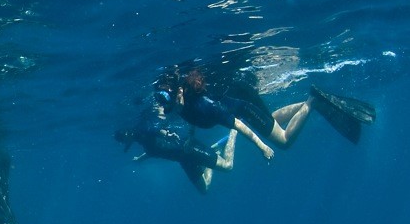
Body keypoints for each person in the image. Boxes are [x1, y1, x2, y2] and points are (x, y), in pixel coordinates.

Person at [158, 68, 375, 159]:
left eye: (172, 103)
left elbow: (239, 125)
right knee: (269, 121)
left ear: (180, 93)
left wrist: (263, 147)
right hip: (241, 96)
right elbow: (189, 116)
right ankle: (309, 103)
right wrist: (190, 137)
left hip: (244, 105)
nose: (168, 109)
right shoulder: (181, 100)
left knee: (282, 141)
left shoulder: (205, 106)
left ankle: (313, 102)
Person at [115, 95, 238, 194]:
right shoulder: (140, 139)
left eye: (122, 140)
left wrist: (167, 135)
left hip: (188, 149)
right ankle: (214, 152)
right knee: (204, 189)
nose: (122, 143)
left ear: (127, 134)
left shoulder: (142, 130)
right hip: (183, 159)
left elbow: (155, 130)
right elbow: (152, 151)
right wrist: (139, 159)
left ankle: (234, 131)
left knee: (228, 166)